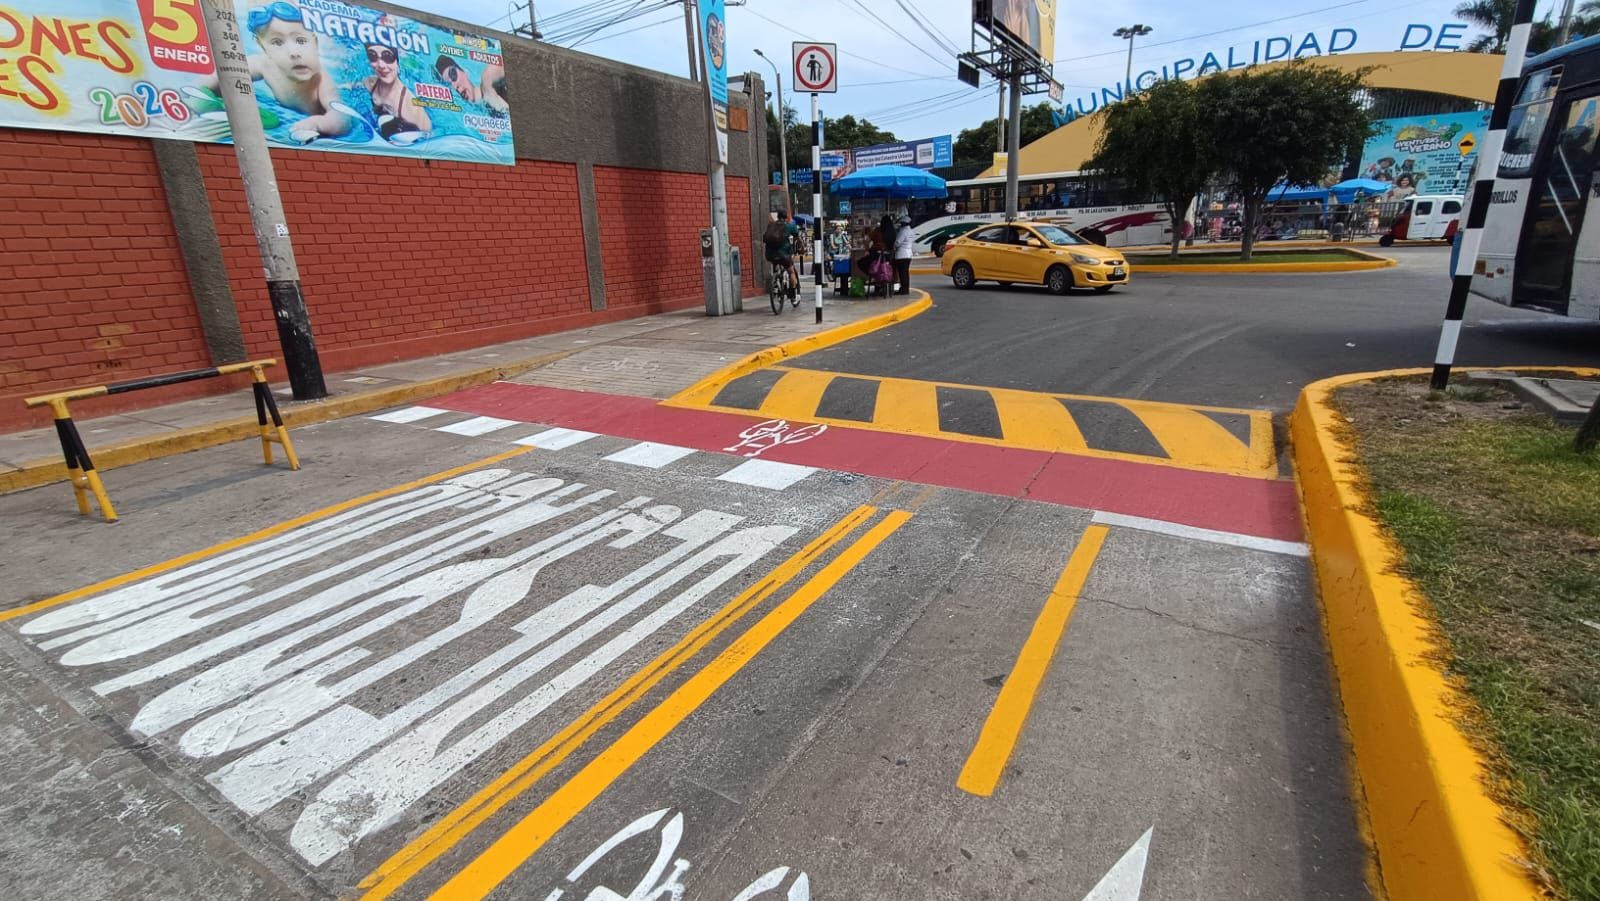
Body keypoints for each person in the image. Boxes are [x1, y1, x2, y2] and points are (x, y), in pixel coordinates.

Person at [236, 2, 350, 143]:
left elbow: (343, 116)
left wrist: (319, 123)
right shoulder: (264, 64)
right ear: (263, 47)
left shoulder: (321, 80)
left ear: (315, 43)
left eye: (301, 41)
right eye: (277, 43)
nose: (293, 53)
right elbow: (230, 72)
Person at [364, 43, 431, 140]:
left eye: (387, 57)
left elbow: (429, 138)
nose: (381, 65)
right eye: (372, 56)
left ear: (397, 62)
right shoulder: (370, 83)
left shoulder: (410, 108)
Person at [436, 56, 510, 117]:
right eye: (448, 85)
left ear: (464, 71)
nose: (455, 86)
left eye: (453, 74)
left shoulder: (487, 81)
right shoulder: (473, 115)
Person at [763, 209, 800, 294]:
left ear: (778, 217)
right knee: (791, 272)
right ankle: (793, 294)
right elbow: (797, 237)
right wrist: (797, 247)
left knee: (775, 263)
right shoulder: (789, 226)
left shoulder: (771, 225)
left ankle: (776, 284)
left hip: (769, 254)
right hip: (783, 254)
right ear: (786, 217)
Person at [891, 214, 914, 295]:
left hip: (902, 255)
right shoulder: (911, 231)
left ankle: (903, 290)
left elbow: (897, 242)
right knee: (906, 273)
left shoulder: (903, 231)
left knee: (902, 273)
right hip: (909, 254)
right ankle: (905, 288)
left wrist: (893, 247)